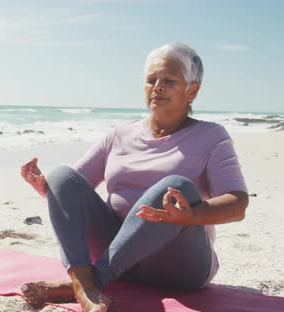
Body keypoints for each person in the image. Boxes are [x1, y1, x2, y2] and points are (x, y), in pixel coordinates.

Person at [20, 43, 248, 311]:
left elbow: (237, 204)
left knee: (175, 187)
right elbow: (70, 191)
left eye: (169, 81)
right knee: (60, 174)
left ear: (192, 91)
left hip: (180, 266)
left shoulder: (212, 137)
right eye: (151, 80)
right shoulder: (117, 136)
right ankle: (83, 281)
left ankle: (93, 281)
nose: (157, 87)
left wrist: (191, 216)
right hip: (118, 256)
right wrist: (44, 186)